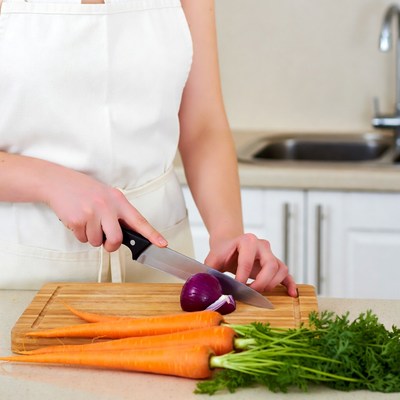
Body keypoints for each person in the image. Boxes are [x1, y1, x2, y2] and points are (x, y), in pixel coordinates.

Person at [0, 0, 297, 296]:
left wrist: (227, 235)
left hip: (161, 266)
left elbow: (203, 128)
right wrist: (49, 181)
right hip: (23, 269)